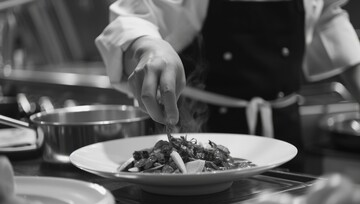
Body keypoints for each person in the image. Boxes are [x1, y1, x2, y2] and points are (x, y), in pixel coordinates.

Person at [95, 0, 360, 172]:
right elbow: (134, 16)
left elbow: (326, 16)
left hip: (286, 133)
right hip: (204, 134)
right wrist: (149, 45)